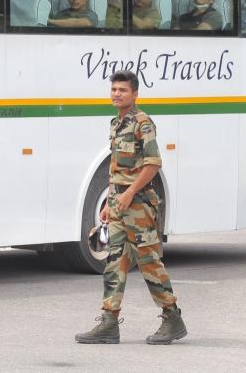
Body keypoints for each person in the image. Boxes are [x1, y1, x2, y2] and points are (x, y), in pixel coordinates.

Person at [75, 70, 186, 346]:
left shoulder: (142, 123)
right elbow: (116, 168)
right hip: (119, 204)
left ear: (134, 94)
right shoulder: (116, 123)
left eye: (122, 90)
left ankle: (172, 318)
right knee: (114, 262)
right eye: (114, 89)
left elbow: (153, 164)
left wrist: (130, 194)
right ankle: (109, 323)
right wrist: (110, 201)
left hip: (139, 206)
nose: (116, 94)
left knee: (149, 262)